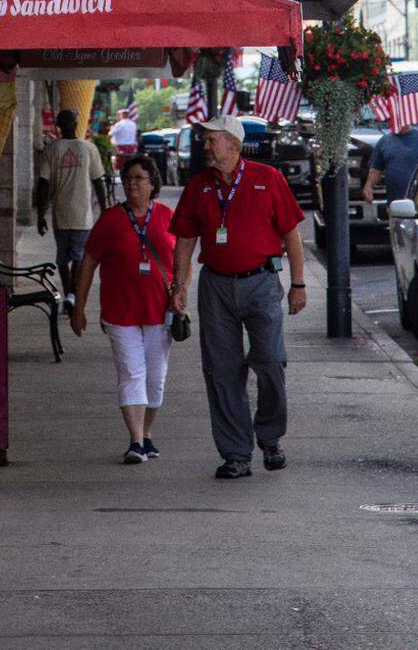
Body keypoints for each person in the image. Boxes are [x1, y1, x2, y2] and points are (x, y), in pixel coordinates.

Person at [170, 115, 306, 480]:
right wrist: (178, 284)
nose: (205, 145)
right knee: (222, 371)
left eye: (211, 140)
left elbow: (291, 233)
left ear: (232, 142)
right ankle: (236, 453)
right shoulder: (198, 186)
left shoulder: (267, 178)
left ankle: (271, 437)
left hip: (261, 282)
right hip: (215, 286)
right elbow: (185, 238)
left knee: (271, 362)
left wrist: (299, 284)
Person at [71, 155, 175, 464]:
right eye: (128, 178)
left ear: (152, 184)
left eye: (139, 178)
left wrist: (181, 289)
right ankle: (135, 441)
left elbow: (181, 259)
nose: (132, 183)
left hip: (159, 311)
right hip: (120, 312)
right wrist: (79, 306)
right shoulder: (111, 219)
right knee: (131, 372)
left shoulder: (167, 216)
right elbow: (88, 263)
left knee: (155, 378)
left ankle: (147, 434)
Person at [37, 109, 106, 303]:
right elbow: (98, 181)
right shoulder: (88, 148)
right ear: (76, 125)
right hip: (82, 215)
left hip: (61, 214)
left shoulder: (52, 149)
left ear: (58, 126)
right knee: (78, 257)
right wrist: (105, 209)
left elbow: (43, 183)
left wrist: (40, 216)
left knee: (62, 258)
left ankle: (69, 292)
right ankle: (72, 295)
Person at [362, 117, 418, 206]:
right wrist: (368, 186)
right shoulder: (384, 142)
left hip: (417, 202)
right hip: (394, 202)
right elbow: (376, 169)